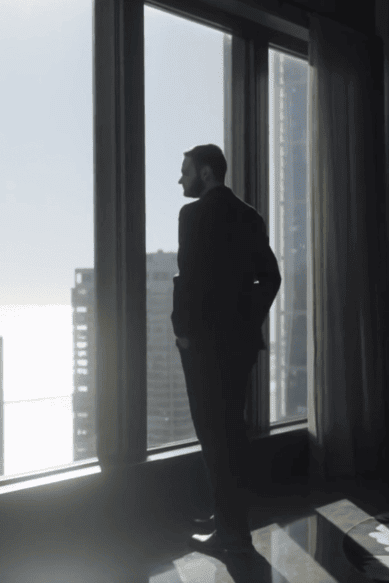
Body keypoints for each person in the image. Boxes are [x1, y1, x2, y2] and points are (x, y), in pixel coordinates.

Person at [171, 144, 281, 557]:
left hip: (203, 348)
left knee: (213, 435)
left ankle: (231, 533)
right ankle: (230, 517)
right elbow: (270, 277)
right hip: (239, 345)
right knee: (232, 432)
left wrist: (183, 332)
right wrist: (245, 321)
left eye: (185, 171)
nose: (180, 179)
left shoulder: (194, 215)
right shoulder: (249, 216)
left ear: (204, 173)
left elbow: (189, 279)